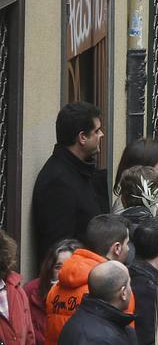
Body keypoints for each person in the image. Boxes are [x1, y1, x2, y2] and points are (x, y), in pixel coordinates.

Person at [32, 103, 109, 269]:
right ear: (82, 137)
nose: (101, 134)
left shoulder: (79, 171)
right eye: (96, 131)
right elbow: (59, 249)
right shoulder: (57, 182)